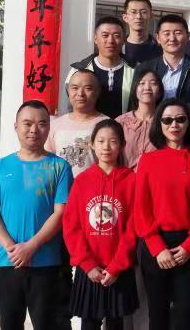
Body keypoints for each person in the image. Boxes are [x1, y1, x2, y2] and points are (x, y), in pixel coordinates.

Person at [0, 100, 74, 330]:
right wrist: (11, 247)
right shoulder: (0, 167)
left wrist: (31, 246)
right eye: (27, 123)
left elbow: (61, 213)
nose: (34, 129)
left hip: (46, 263)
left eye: (42, 124)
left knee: (48, 325)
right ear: (16, 126)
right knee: (10, 324)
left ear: (48, 128)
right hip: (7, 261)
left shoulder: (60, 167)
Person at [135, 99, 190, 330]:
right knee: (158, 313)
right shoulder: (148, 160)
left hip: (189, 245)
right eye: (167, 120)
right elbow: (141, 208)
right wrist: (157, 248)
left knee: (188, 313)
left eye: (180, 119)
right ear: (160, 124)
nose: (174, 125)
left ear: (188, 123)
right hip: (156, 245)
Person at [63, 120, 138, 330]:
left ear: (122, 145)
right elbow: (71, 226)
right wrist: (87, 264)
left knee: (116, 323)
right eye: (101, 141)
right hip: (90, 269)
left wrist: (117, 266)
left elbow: (133, 226)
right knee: (89, 323)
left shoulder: (131, 180)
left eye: (113, 141)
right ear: (92, 145)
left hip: (118, 268)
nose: (106, 147)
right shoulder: (82, 181)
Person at [67, 16, 135, 119]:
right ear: (95, 39)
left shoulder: (136, 70)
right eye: (105, 35)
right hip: (87, 128)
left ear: (123, 40)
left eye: (116, 36)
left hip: (126, 128)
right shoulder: (78, 70)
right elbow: (68, 108)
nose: (110, 40)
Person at [47, 69, 109, 176]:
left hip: (94, 185)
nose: (80, 94)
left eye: (88, 88)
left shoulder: (107, 125)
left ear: (97, 92)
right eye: (75, 88)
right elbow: (47, 162)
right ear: (68, 91)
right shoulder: (54, 125)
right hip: (61, 185)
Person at [134, 14, 190, 103]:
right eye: (167, 34)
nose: (172, 38)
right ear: (158, 38)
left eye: (178, 33)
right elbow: (134, 102)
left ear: (188, 36)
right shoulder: (144, 68)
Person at [115, 69, 163, 169]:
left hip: (155, 177)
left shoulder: (165, 122)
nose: (147, 87)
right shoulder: (121, 122)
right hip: (125, 177)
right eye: (142, 83)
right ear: (135, 89)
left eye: (153, 83)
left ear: (160, 91)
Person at [121, 0, 162, 66]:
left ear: (151, 16)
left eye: (143, 12)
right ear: (125, 17)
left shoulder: (161, 51)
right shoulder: (117, 48)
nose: (138, 16)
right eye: (133, 12)